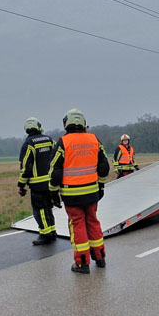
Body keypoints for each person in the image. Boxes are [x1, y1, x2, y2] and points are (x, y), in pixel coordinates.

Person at [49, 109, 110, 274]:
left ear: (66, 124)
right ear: (83, 123)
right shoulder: (94, 139)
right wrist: (101, 185)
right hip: (92, 193)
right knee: (93, 221)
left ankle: (82, 263)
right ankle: (100, 257)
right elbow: (104, 166)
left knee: (77, 225)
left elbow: (55, 170)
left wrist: (53, 192)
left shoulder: (63, 142)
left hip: (72, 195)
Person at [17, 117, 56, 245]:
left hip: (37, 183)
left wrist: (21, 185)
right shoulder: (49, 140)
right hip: (50, 182)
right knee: (48, 208)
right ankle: (52, 230)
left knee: (40, 210)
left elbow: (25, 167)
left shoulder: (28, 144)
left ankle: (46, 234)